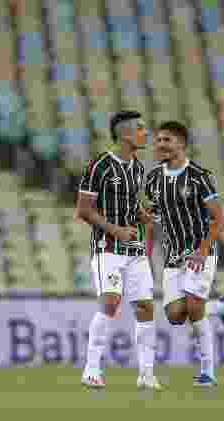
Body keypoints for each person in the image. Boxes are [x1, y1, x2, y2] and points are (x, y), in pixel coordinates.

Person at [76, 111, 161, 390]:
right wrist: (115, 230)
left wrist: (142, 216)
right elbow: (83, 210)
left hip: (134, 248)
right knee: (110, 303)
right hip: (107, 248)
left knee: (146, 307)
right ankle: (91, 370)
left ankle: (146, 374)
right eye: (140, 129)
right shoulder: (99, 165)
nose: (145, 133)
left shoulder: (137, 167)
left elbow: (129, 206)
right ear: (124, 134)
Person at [144, 121, 224, 386]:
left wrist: (202, 252)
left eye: (166, 140)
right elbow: (152, 221)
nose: (160, 145)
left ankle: (207, 372)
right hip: (173, 256)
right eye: (158, 141)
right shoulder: (154, 178)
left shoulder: (199, 176)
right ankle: (222, 307)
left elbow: (218, 218)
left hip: (199, 251)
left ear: (180, 143)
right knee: (175, 315)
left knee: (193, 305)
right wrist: (145, 256)